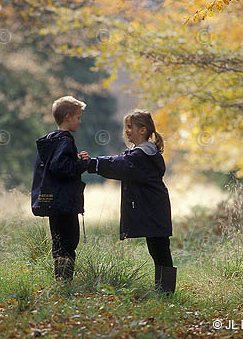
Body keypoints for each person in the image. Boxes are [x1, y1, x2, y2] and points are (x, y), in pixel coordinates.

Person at [83, 110, 176, 293]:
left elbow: (119, 165)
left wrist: (92, 164)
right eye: (126, 127)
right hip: (154, 207)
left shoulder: (143, 155)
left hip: (154, 208)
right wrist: (93, 163)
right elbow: (120, 161)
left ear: (142, 130)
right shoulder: (140, 153)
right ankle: (164, 290)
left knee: (160, 249)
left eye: (130, 127)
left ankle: (166, 292)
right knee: (157, 249)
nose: (126, 131)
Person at [31, 96, 89, 282]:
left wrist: (75, 160)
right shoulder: (66, 140)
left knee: (58, 242)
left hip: (53, 203)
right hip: (65, 203)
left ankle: (60, 281)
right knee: (69, 241)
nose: (80, 121)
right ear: (67, 117)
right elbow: (60, 167)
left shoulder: (51, 141)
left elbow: (56, 164)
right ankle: (65, 282)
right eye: (78, 117)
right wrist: (82, 165)